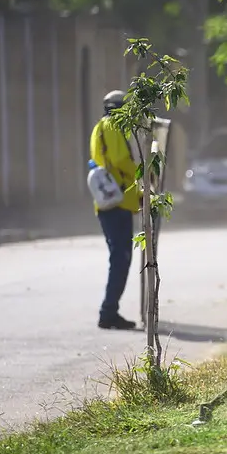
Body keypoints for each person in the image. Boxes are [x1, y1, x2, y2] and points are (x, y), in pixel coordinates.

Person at [89, 90, 141, 330]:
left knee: (118, 258)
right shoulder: (113, 126)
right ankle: (108, 312)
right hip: (118, 202)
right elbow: (121, 161)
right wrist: (143, 176)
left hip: (110, 200)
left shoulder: (100, 126)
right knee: (120, 259)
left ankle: (110, 310)